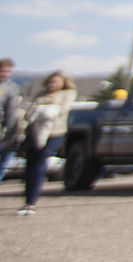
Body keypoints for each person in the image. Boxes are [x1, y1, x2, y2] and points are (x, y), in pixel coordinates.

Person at [17, 70, 76, 215]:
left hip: (54, 133)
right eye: (51, 81)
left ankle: (32, 202)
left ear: (63, 83)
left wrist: (46, 109)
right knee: (30, 165)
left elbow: (62, 110)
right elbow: (29, 113)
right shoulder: (40, 95)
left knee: (39, 163)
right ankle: (27, 200)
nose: (53, 84)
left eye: (56, 82)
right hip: (34, 133)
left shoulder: (67, 94)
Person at [0, 58, 20, 188]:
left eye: (8, 71)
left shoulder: (11, 88)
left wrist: (10, 134)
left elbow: (11, 112)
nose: (5, 74)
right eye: (2, 71)